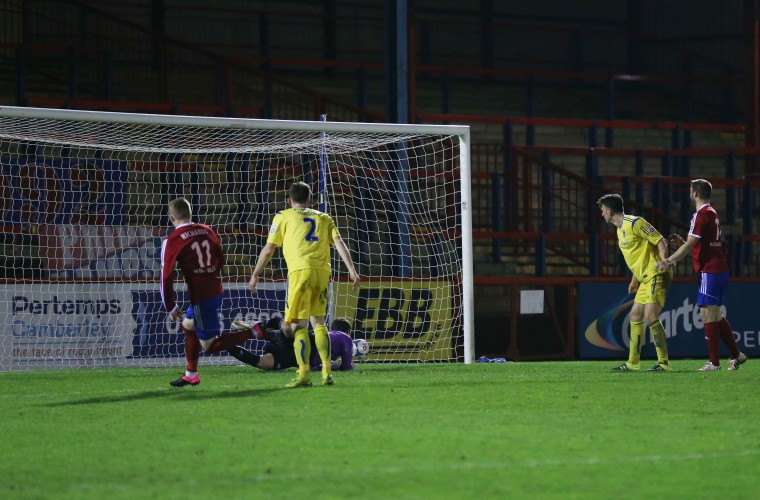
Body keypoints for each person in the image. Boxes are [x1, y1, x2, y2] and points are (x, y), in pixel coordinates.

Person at [249, 181, 361, 387]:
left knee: (298, 325)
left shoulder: (283, 216)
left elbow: (268, 249)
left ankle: (304, 375)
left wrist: (255, 274)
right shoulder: (324, 217)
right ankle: (327, 372)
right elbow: (339, 243)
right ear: (309, 200)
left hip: (300, 272)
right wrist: (352, 271)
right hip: (322, 273)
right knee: (319, 323)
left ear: (289, 200)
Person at [161, 197, 262, 387]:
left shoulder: (173, 239)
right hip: (214, 287)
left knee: (208, 345)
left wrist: (170, 305)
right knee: (188, 326)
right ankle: (191, 373)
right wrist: (209, 273)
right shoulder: (206, 230)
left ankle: (254, 332)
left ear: (172, 217)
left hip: (201, 296)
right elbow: (220, 256)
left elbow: (166, 277)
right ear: (190, 214)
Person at [656, 179, 748, 371]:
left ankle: (714, 362)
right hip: (718, 268)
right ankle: (736, 355)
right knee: (714, 314)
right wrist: (686, 243)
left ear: (695, 194)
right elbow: (700, 244)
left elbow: (690, 245)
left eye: (691, 190)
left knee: (707, 314)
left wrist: (668, 260)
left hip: (710, 270)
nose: (690, 193)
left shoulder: (701, 215)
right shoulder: (711, 212)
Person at [597, 193, 673, 371]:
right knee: (635, 315)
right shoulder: (619, 230)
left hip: (655, 273)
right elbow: (636, 258)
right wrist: (634, 281)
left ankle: (664, 363)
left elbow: (660, 240)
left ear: (609, 210)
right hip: (643, 279)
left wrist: (664, 261)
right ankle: (633, 363)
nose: (602, 214)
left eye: (602, 211)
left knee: (650, 316)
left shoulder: (635, 223)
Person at [229, 317, 362, 372]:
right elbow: (347, 367)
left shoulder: (327, 334)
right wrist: (341, 364)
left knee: (286, 329)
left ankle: (261, 328)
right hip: (305, 354)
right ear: (348, 332)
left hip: (302, 347)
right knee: (260, 362)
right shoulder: (345, 338)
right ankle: (226, 345)